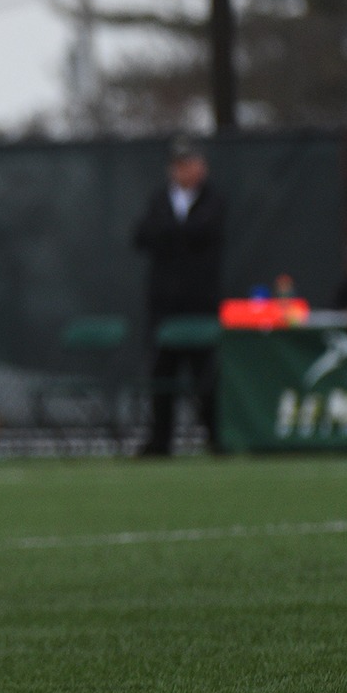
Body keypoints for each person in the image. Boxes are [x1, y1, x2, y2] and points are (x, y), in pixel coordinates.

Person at [131, 137, 226, 457]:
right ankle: (160, 441)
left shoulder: (213, 198)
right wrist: (176, 234)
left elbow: (203, 232)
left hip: (200, 303)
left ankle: (216, 437)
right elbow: (142, 236)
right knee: (162, 373)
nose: (185, 170)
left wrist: (170, 234)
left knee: (206, 375)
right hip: (163, 305)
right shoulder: (160, 199)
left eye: (191, 164)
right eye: (179, 165)